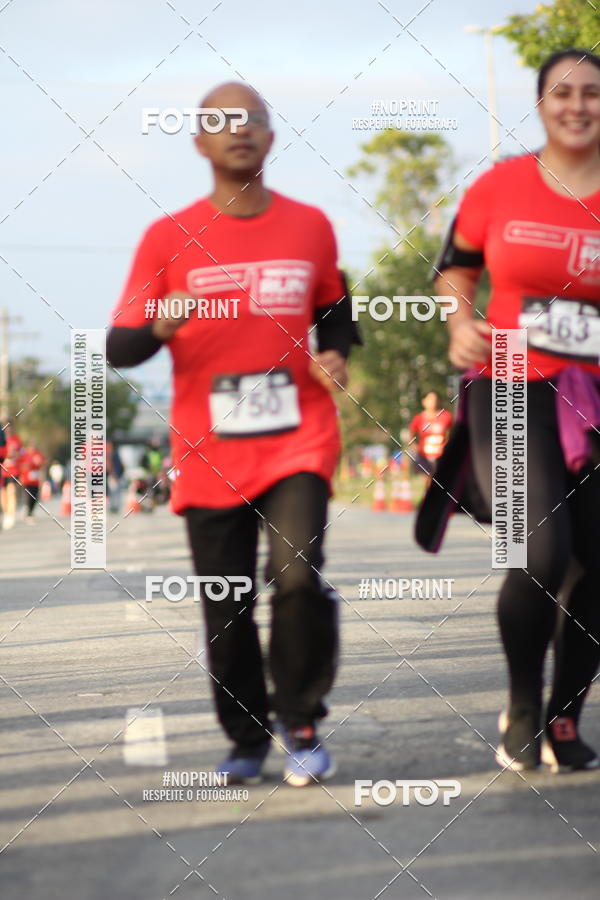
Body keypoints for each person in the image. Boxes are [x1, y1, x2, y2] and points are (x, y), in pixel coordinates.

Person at [107, 81, 358, 786]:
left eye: (252, 119)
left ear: (271, 137)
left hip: (298, 433)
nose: (238, 130)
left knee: (297, 576)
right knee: (227, 600)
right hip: (208, 447)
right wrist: (160, 324)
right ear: (199, 143)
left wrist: (337, 351)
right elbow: (119, 345)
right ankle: (246, 739)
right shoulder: (167, 237)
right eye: (221, 121)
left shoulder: (310, 226)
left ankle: (301, 720)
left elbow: (336, 308)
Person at [434, 48, 600, 772]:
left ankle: (565, 716)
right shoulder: (499, 185)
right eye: (563, 92)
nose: (577, 105)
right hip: (510, 378)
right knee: (540, 551)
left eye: (592, 93)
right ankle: (524, 705)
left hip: (595, 393)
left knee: (597, 563)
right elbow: (455, 268)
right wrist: (458, 322)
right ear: (540, 104)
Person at [408, 391, 452, 485]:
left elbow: (452, 432)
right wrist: (414, 446)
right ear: (424, 401)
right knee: (429, 480)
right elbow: (411, 434)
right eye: (430, 399)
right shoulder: (419, 418)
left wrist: (448, 445)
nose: (433, 402)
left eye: (435, 399)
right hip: (424, 456)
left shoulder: (446, 416)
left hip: (441, 456)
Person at [1, 420, 23, 530]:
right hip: (2, 471)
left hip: (13, 471)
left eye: (10, 427)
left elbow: (21, 454)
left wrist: (14, 454)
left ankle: (11, 516)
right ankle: (6, 513)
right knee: (3, 494)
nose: (8, 429)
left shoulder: (16, 439)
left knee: (12, 492)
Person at [20, 440, 46, 523]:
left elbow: (42, 465)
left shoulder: (38, 454)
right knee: (29, 496)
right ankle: (29, 513)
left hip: (36, 480)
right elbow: (21, 465)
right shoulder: (24, 454)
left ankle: (30, 511)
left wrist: (42, 479)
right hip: (27, 480)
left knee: (35, 496)